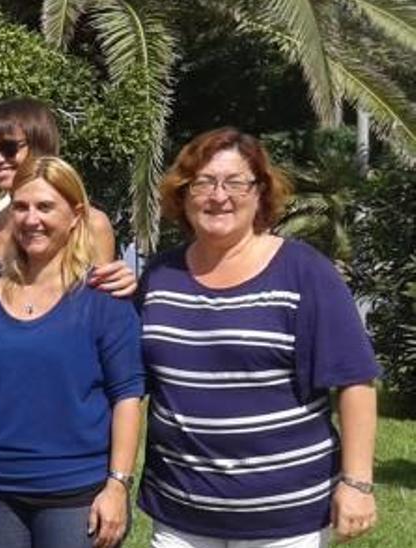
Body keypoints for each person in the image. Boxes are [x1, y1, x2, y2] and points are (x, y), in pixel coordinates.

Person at [137, 128, 379, 548]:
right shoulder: (159, 276)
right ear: (184, 193)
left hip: (285, 515)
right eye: (204, 183)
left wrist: (357, 484)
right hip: (181, 510)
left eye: (235, 182)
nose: (219, 196)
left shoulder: (305, 272)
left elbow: (355, 380)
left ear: (260, 193)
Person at [0, 99, 137, 546]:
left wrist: (116, 480)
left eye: (9, 148)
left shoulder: (87, 223)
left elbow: (99, 330)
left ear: (41, 146)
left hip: (65, 447)